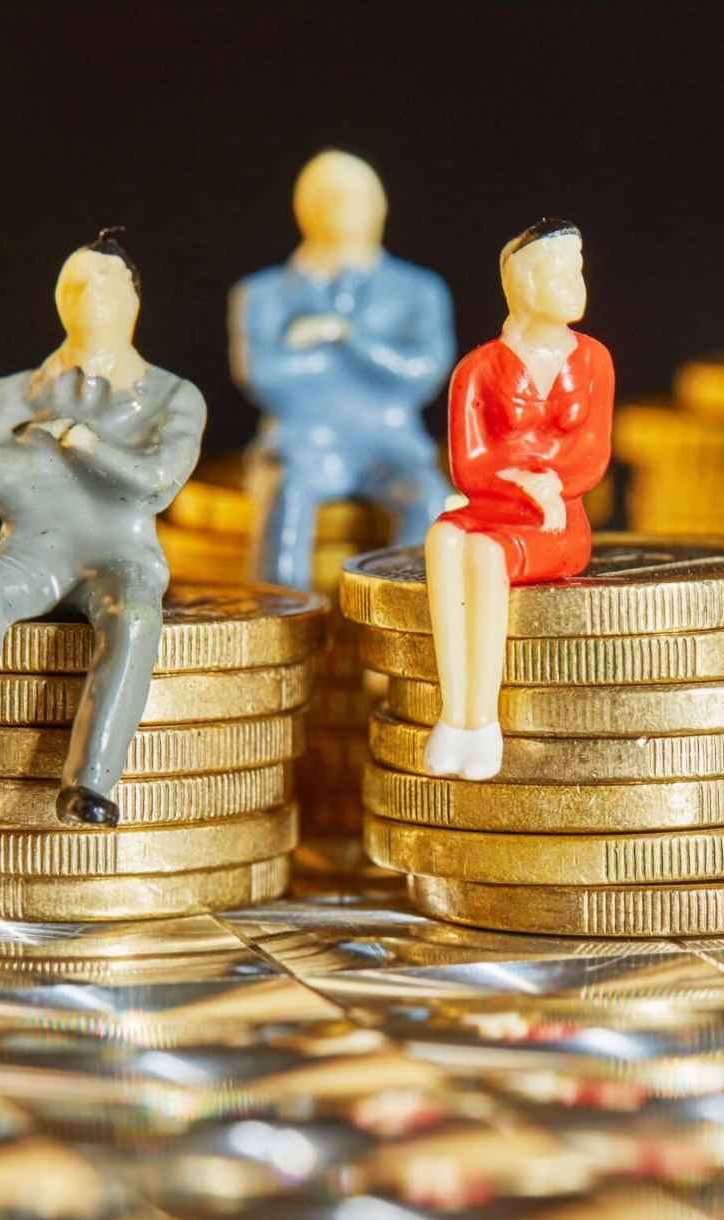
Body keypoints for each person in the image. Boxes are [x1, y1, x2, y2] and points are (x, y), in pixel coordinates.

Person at [0, 231, 204, 827]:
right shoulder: (12, 390)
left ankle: (92, 781)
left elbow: (154, 483)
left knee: (137, 614)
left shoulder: (177, 397)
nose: (88, 297)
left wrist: (76, 442)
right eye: (74, 284)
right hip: (33, 548)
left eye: (105, 284)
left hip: (122, 552)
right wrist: (95, 462)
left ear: (134, 299)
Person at [423, 219, 614, 780]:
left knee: (483, 556)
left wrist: (552, 484)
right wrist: (521, 483)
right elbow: (469, 462)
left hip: (557, 524)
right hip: (495, 506)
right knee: (441, 538)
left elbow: (593, 451)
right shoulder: (478, 369)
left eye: (576, 268)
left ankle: (481, 722)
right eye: (558, 270)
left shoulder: (594, 360)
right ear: (523, 285)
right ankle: (451, 713)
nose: (573, 281)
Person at [230, 150, 455, 589]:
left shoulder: (419, 290)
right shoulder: (262, 293)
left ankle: (400, 614)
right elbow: (265, 377)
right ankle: (283, 617)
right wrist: (361, 361)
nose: (342, 208)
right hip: (302, 442)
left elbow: (421, 372)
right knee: (287, 493)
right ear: (304, 208)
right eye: (328, 196)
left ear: (380, 205)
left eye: (355, 196)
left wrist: (343, 336)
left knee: (430, 498)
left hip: (392, 442)